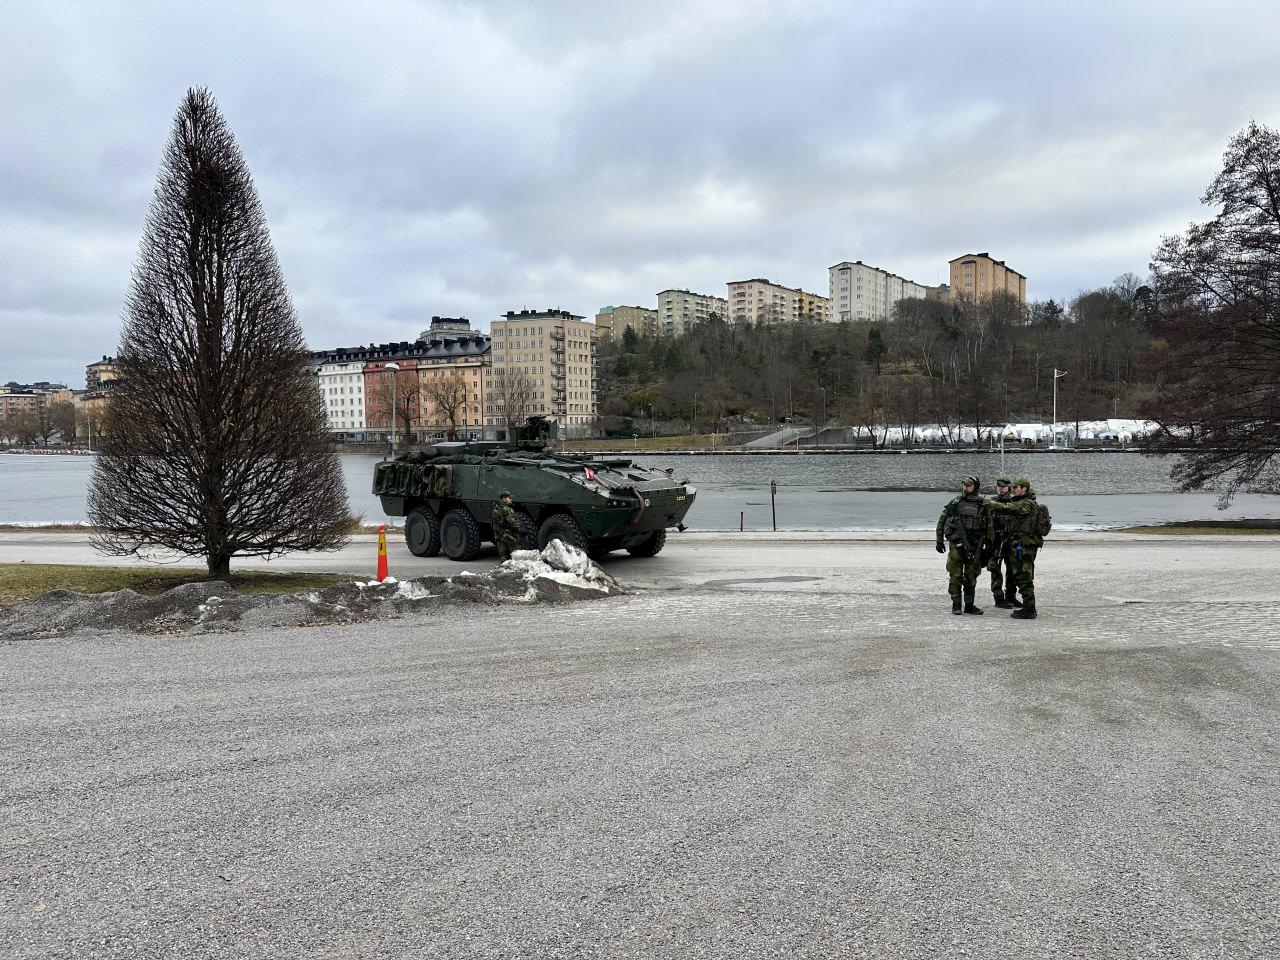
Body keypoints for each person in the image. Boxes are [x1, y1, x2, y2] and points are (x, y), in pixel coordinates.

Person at [984, 477, 1041, 620]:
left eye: (1016, 488)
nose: (1013, 490)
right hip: (1015, 544)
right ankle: (1021, 604)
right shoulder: (1021, 502)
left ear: (1024, 489)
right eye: (1013, 487)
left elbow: (1008, 508)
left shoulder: (1026, 504)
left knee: (1023, 577)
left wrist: (990, 503)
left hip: (1023, 547)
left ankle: (1029, 609)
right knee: (1018, 575)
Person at [935, 475, 993, 616]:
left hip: (976, 545)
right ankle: (956, 605)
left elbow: (989, 526)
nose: (966, 488)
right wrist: (939, 540)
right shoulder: (955, 502)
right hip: (957, 545)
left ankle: (969, 605)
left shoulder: (982, 504)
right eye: (964, 485)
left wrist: (989, 544)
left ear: (975, 487)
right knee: (955, 575)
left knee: (971, 576)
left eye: (969, 485)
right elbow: (942, 521)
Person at [987, 478, 1021, 609]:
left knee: (1012, 568)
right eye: (999, 486)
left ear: (1009, 488)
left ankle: (1011, 596)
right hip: (995, 540)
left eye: (1003, 486)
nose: (1001, 488)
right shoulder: (991, 502)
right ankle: (998, 598)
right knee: (995, 568)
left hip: (1011, 539)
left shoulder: (1014, 502)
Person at [491, 491, 522, 562]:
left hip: (499, 535)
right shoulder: (507, 509)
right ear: (504, 499)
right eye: (509, 498)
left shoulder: (496, 509)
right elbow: (513, 522)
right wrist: (521, 530)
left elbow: (494, 523)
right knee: (516, 552)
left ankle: (504, 571)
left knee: (504, 556)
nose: (511, 500)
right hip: (507, 534)